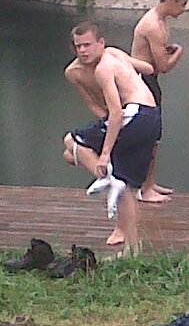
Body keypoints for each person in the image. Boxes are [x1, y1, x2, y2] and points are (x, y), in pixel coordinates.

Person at [62, 22, 161, 256]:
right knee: (124, 186)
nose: (83, 51)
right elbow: (147, 69)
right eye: (78, 47)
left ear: (101, 43)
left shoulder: (104, 67)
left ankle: (104, 176)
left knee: (70, 141)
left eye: (87, 45)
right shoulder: (77, 71)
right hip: (150, 118)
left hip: (133, 114)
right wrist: (131, 68)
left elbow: (116, 112)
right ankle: (132, 250)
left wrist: (105, 154)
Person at [130, 0, 189, 203]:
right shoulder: (153, 25)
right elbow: (163, 67)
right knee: (148, 136)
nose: (183, 10)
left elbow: (158, 57)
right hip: (141, 80)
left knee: (155, 137)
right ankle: (144, 190)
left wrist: (167, 51)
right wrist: (178, 53)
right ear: (171, 1)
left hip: (149, 78)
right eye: (182, 5)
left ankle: (150, 183)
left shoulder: (161, 20)